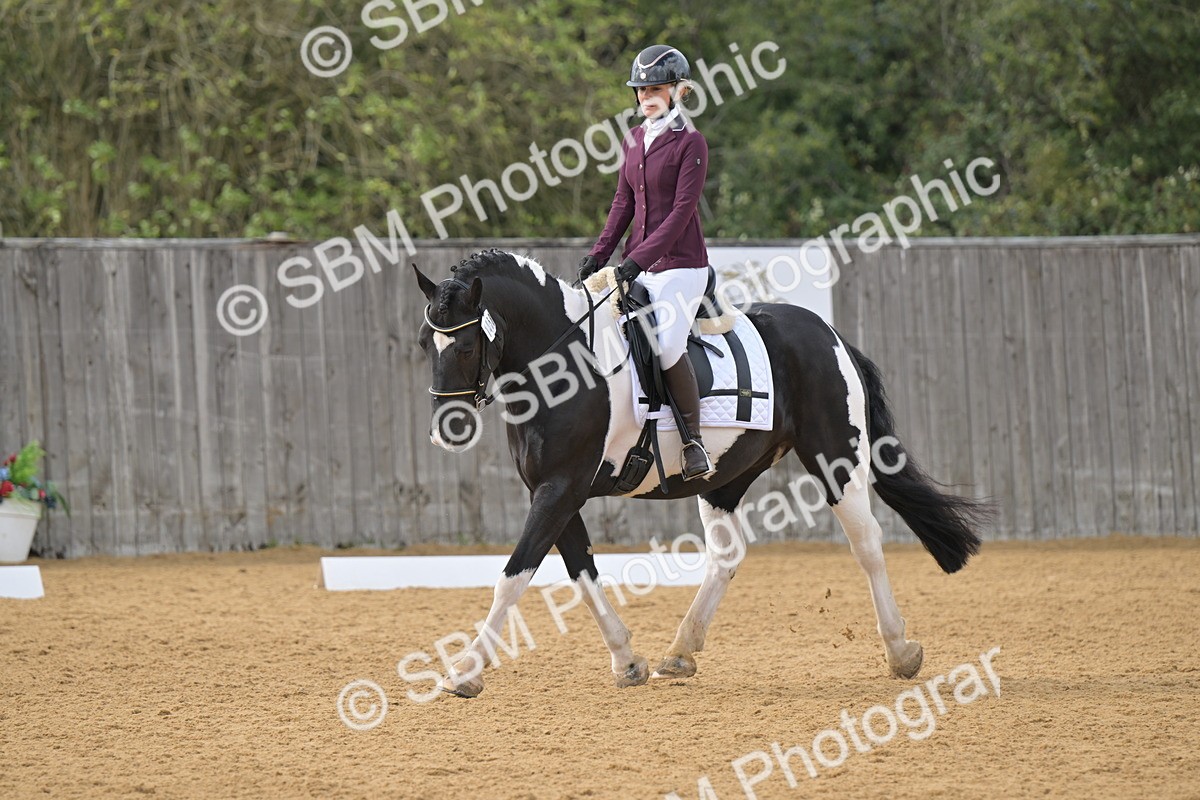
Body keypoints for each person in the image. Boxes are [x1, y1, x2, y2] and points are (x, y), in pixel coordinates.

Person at [578, 44, 714, 480]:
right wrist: (599, 255)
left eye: (655, 88)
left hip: (681, 267)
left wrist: (635, 261)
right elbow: (623, 204)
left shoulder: (690, 143)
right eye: (640, 90)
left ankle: (693, 442)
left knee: (668, 344)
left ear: (678, 91)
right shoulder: (634, 140)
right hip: (636, 264)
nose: (645, 97)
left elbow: (680, 214)